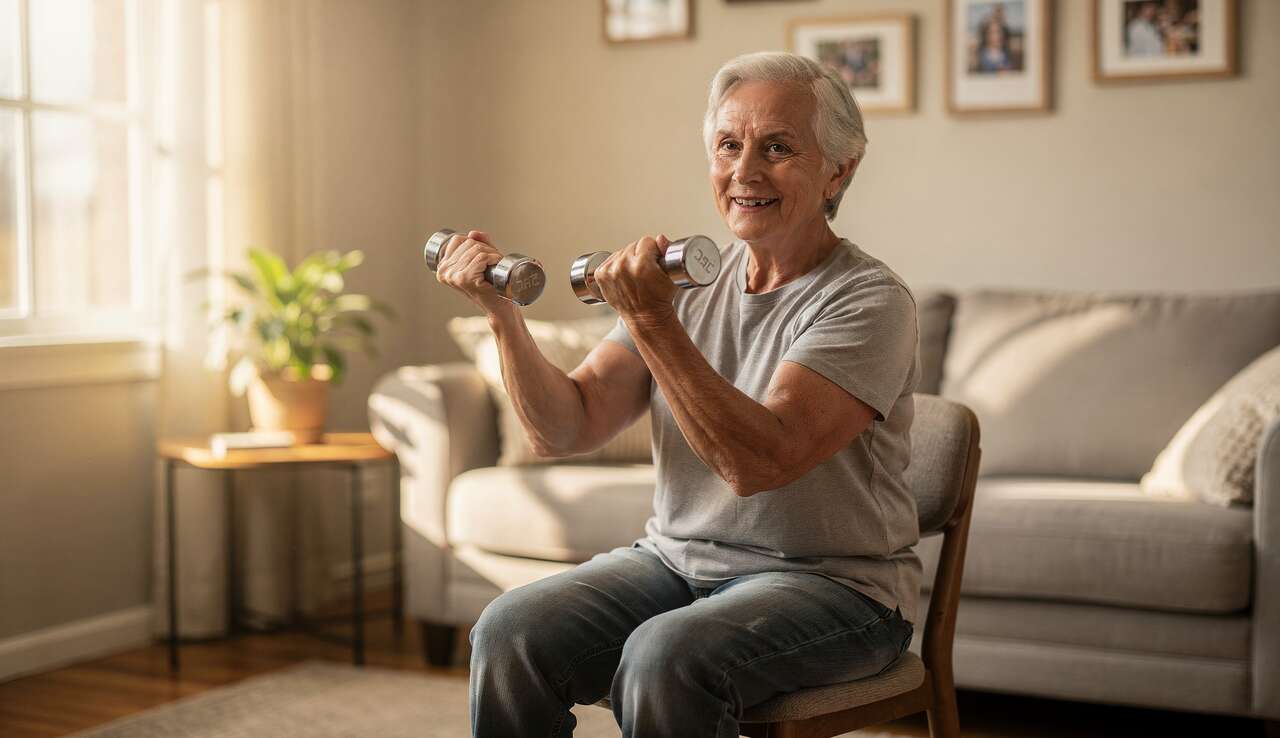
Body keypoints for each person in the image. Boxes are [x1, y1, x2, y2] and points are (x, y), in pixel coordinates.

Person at [435, 50, 922, 738]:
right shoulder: (688, 287)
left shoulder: (867, 301)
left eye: (777, 147)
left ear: (839, 170)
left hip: (837, 590)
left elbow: (758, 463)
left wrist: (652, 318)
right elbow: (563, 429)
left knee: (662, 660)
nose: (745, 172)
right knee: (509, 631)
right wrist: (502, 316)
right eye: (729, 146)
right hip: (676, 563)